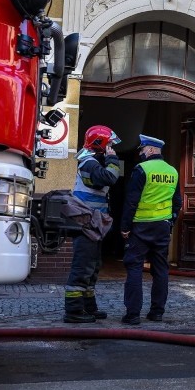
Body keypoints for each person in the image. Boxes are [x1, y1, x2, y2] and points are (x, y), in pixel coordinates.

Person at [120, 135, 181, 325]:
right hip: (162, 227)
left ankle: (132, 315)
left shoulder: (142, 169)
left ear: (151, 150)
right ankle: (157, 312)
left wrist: (125, 227)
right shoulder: (172, 171)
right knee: (161, 270)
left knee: (134, 267)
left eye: (142, 149)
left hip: (141, 226)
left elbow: (131, 201)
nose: (140, 153)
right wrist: (171, 222)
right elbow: (177, 201)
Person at [63, 125, 121, 324]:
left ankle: (89, 307)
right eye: (110, 144)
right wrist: (113, 160)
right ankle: (73, 311)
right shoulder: (88, 163)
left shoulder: (93, 161)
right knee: (82, 267)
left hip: (93, 223)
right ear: (101, 144)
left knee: (93, 267)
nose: (113, 147)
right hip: (85, 223)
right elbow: (110, 178)